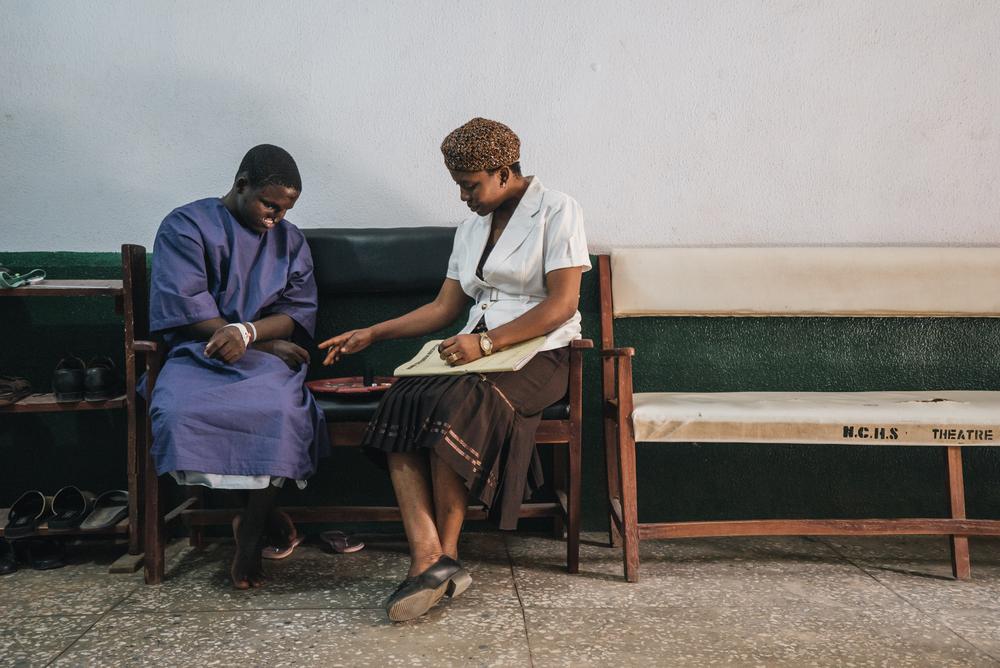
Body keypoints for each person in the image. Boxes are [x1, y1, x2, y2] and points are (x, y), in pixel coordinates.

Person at [319, 118, 590, 621]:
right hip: (474, 348)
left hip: (541, 352)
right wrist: (374, 333)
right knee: (404, 396)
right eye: (459, 187)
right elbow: (445, 309)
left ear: (504, 172)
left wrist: (485, 342)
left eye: (471, 186)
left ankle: (440, 558)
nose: (464, 198)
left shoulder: (558, 209)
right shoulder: (470, 229)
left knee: (454, 402)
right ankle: (431, 559)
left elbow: (562, 304)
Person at [147, 144, 327, 589]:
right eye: (269, 204)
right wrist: (248, 340)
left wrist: (250, 336)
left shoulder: (290, 241)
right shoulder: (187, 226)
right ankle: (242, 515)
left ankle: (251, 529)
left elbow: (296, 310)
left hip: (264, 355)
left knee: (281, 411)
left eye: (286, 209)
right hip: (199, 353)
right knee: (176, 411)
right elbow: (183, 306)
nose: (276, 218)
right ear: (241, 184)